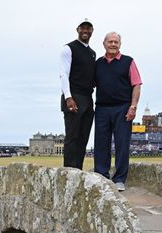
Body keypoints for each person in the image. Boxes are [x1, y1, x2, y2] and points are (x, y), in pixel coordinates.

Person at [94, 32, 142, 191]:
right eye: (110, 41)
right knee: (101, 143)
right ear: (104, 44)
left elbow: (136, 84)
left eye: (116, 42)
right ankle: (101, 175)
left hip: (123, 108)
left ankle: (120, 179)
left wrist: (133, 107)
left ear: (120, 44)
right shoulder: (98, 64)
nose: (113, 44)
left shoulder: (128, 62)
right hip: (101, 108)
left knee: (122, 143)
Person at [59, 19, 96, 170]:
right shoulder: (68, 48)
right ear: (77, 30)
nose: (85, 31)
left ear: (92, 31)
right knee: (72, 137)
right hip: (73, 96)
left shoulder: (92, 53)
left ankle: (78, 171)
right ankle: (69, 172)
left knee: (83, 138)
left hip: (88, 98)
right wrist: (68, 97)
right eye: (83, 28)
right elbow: (63, 74)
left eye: (88, 28)